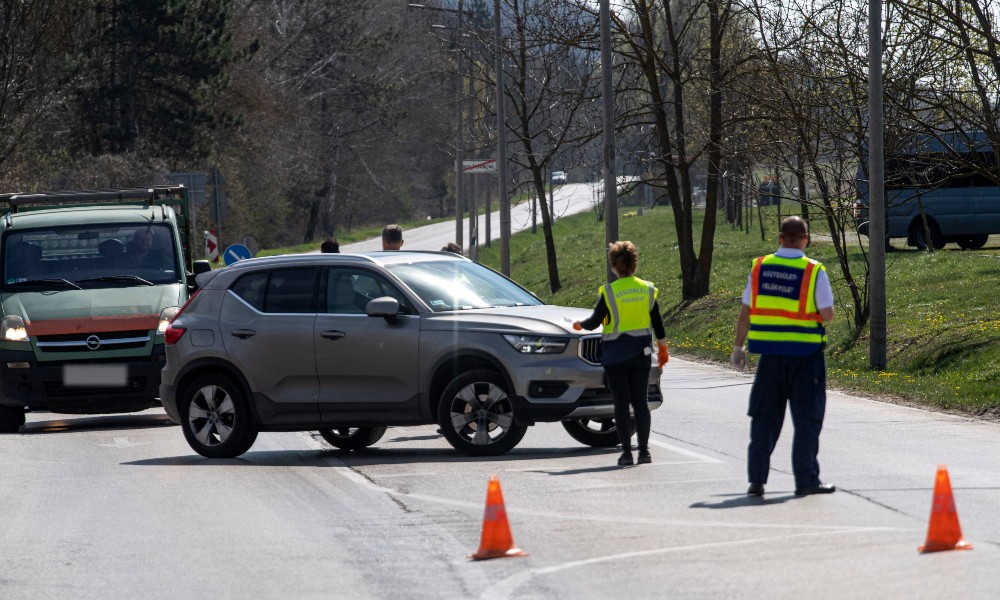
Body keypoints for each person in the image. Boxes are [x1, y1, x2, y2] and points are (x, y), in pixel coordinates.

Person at [731, 216, 836, 497]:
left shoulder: (760, 268)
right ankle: (806, 481)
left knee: (764, 419)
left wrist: (738, 347)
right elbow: (827, 314)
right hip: (806, 356)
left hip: (770, 357)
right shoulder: (814, 271)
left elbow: (746, 312)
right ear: (805, 239)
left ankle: (756, 480)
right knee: (806, 420)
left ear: (779, 238)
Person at [573, 241, 669, 467]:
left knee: (621, 404)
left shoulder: (609, 292)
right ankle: (644, 452)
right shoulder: (647, 290)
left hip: (615, 357)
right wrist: (663, 349)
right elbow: (658, 323)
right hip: (641, 354)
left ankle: (626, 454)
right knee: (641, 403)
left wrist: (578, 325)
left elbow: (594, 322)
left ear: (614, 265)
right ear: (634, 263)